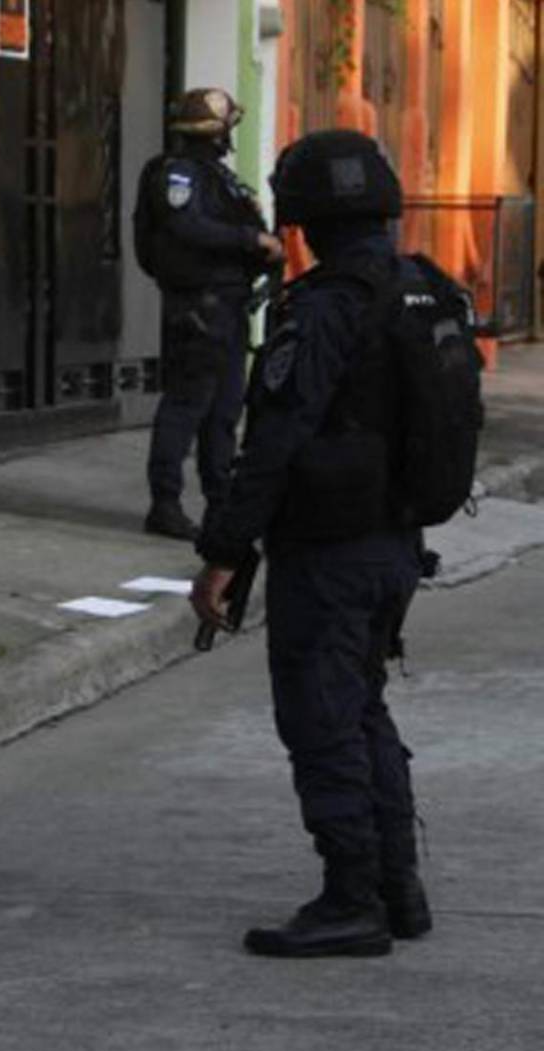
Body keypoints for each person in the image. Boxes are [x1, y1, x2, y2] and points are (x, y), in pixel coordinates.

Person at [193, 129, 440, 958]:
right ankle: (398, 889)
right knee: (363, 706)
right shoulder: (418, 290)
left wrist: (224, 551)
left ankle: (352, 898)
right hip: (396, 545)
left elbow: (274, 439)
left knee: (323, 717)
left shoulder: (325, 306)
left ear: (303, 215)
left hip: (330, 553)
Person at [133, 87, 287, 540]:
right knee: (187, 406)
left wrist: (264, 252)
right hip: (199, 308)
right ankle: (165, 504)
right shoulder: (177, 175)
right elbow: (187, 227)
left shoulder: (216, 177)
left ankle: (220, 504)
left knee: (223, 411)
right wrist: (250, 241)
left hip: (229, 306)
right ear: (214, 132)